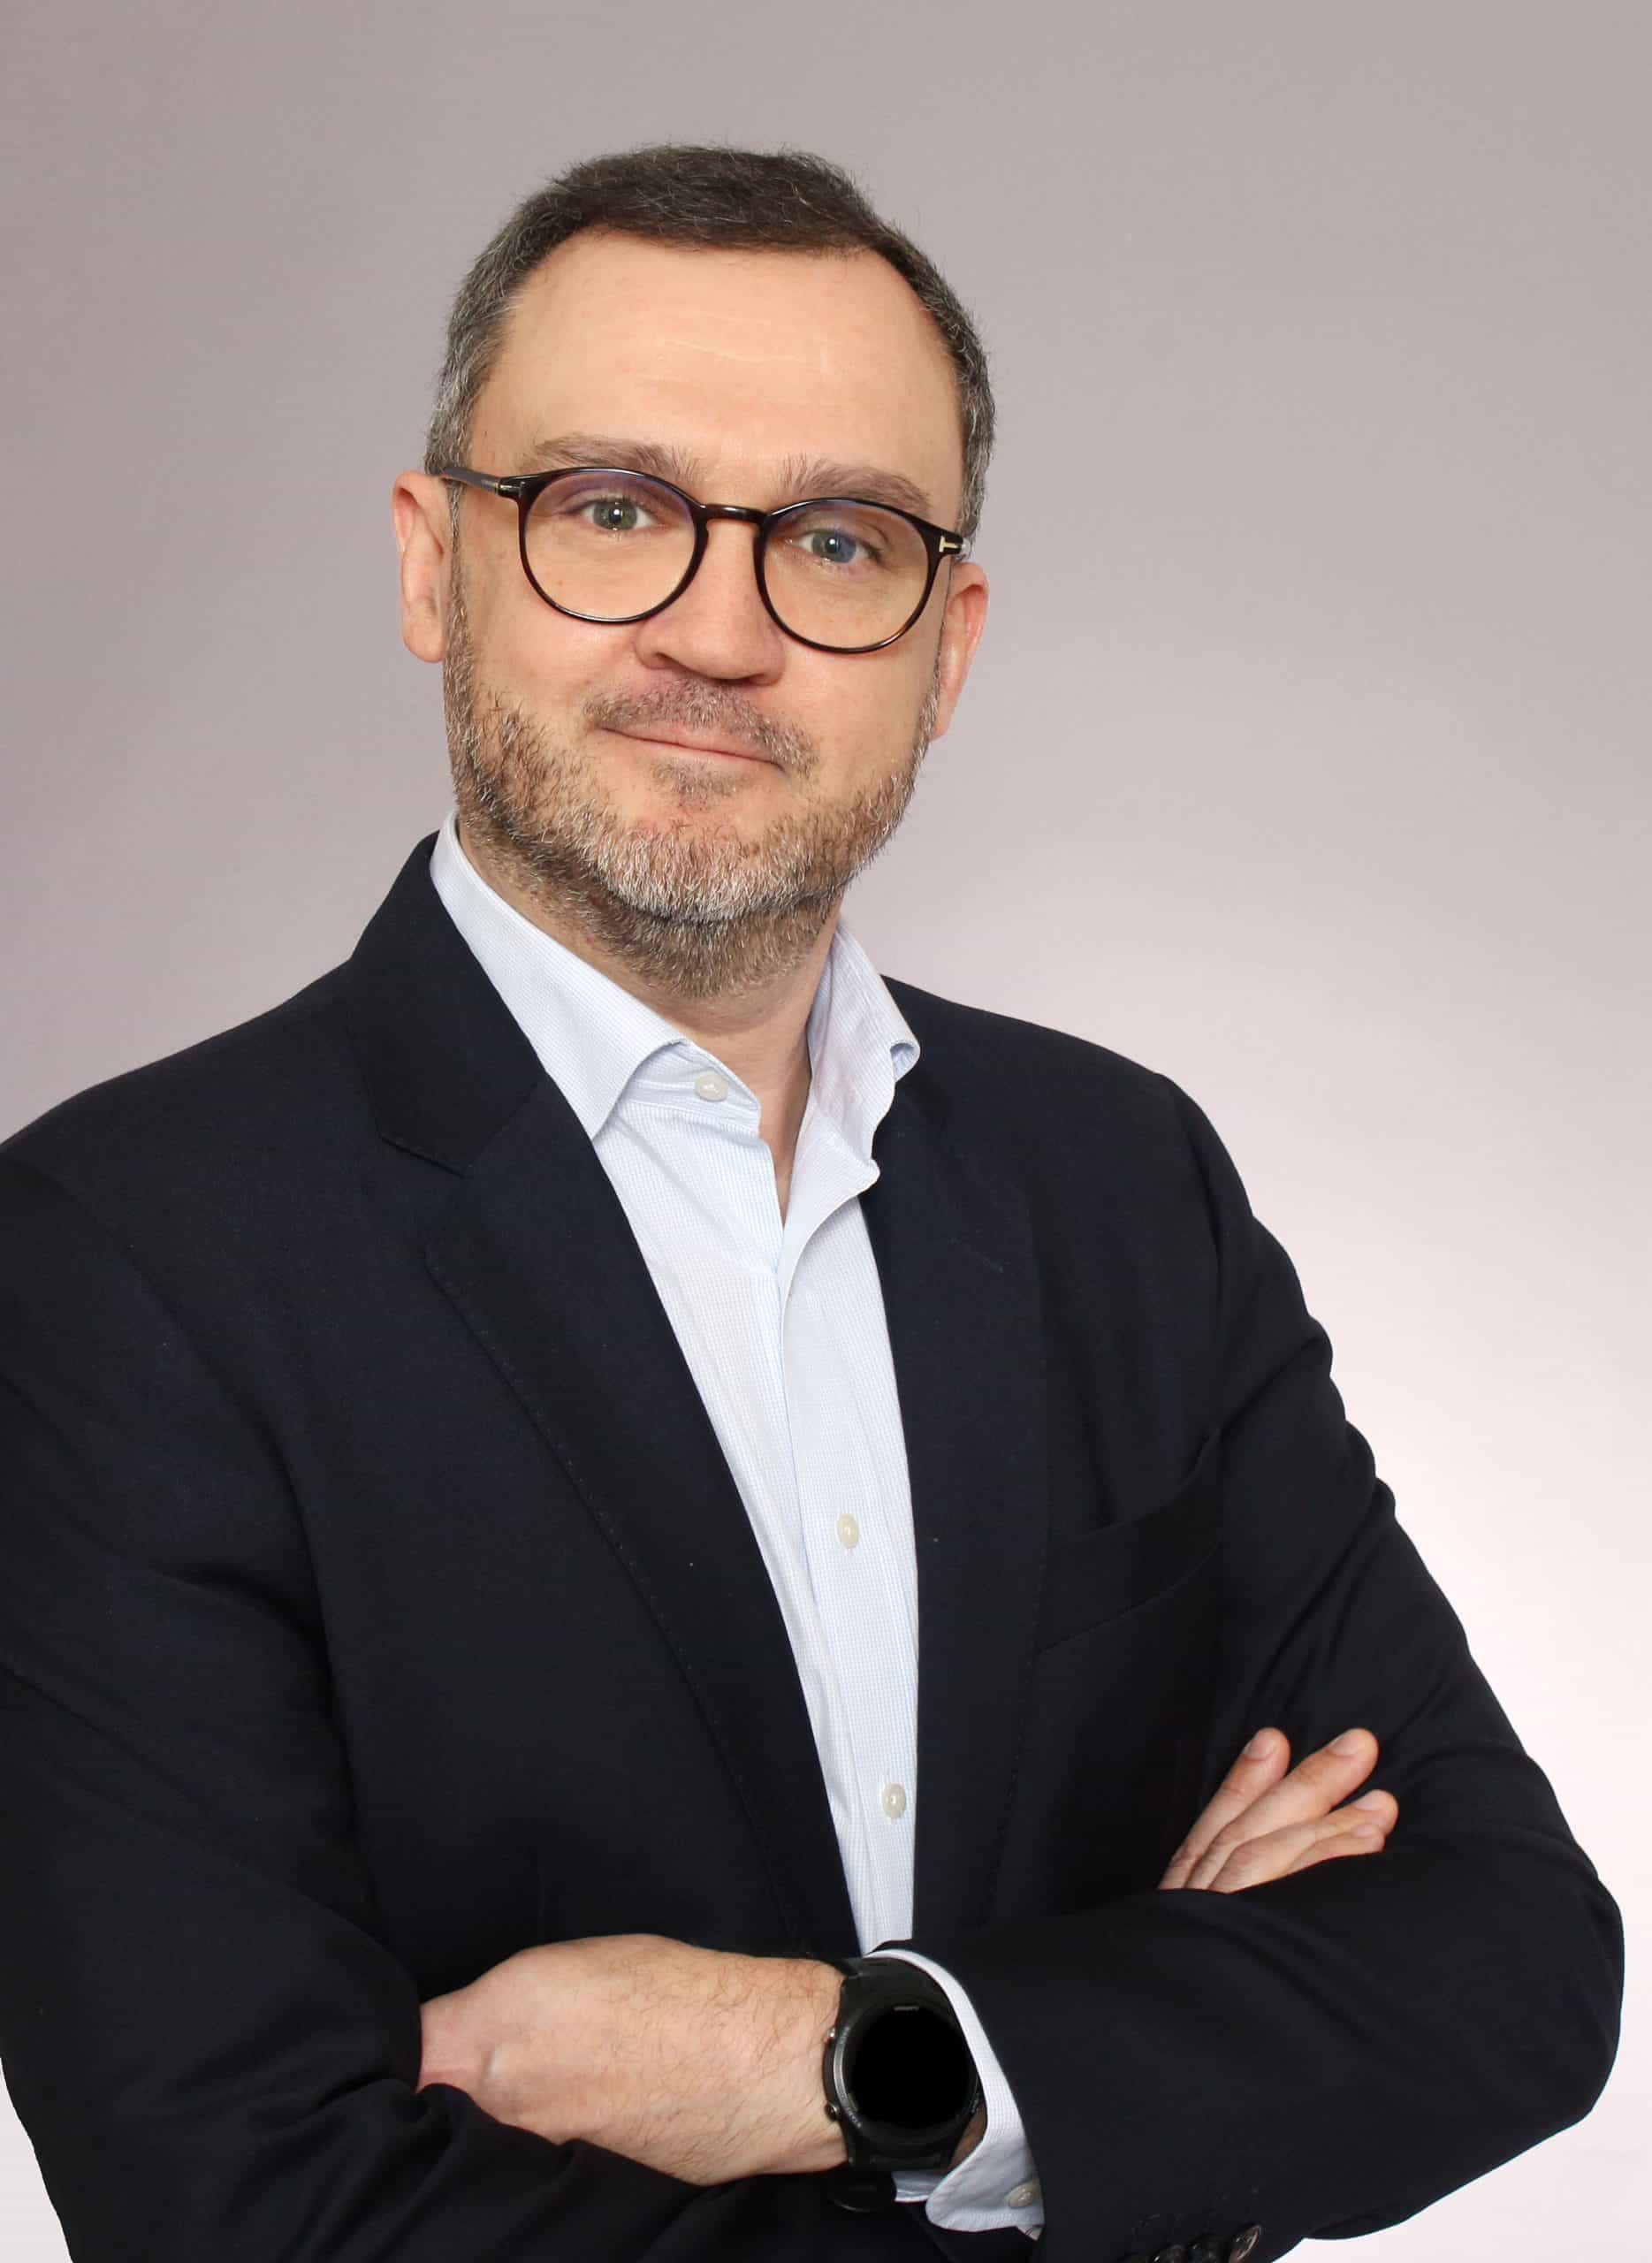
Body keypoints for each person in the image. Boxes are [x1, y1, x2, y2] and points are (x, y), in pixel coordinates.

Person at [0, 142, 1621, 2263]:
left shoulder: (1120, 1186)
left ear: (943, 645)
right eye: (610, 512)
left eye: (835, 540)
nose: (716, 629)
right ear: (430, 564)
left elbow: (1508, 1963)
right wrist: (1139, 2104)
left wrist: (858, 2060)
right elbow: (257, 2203)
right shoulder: (118, 1260)